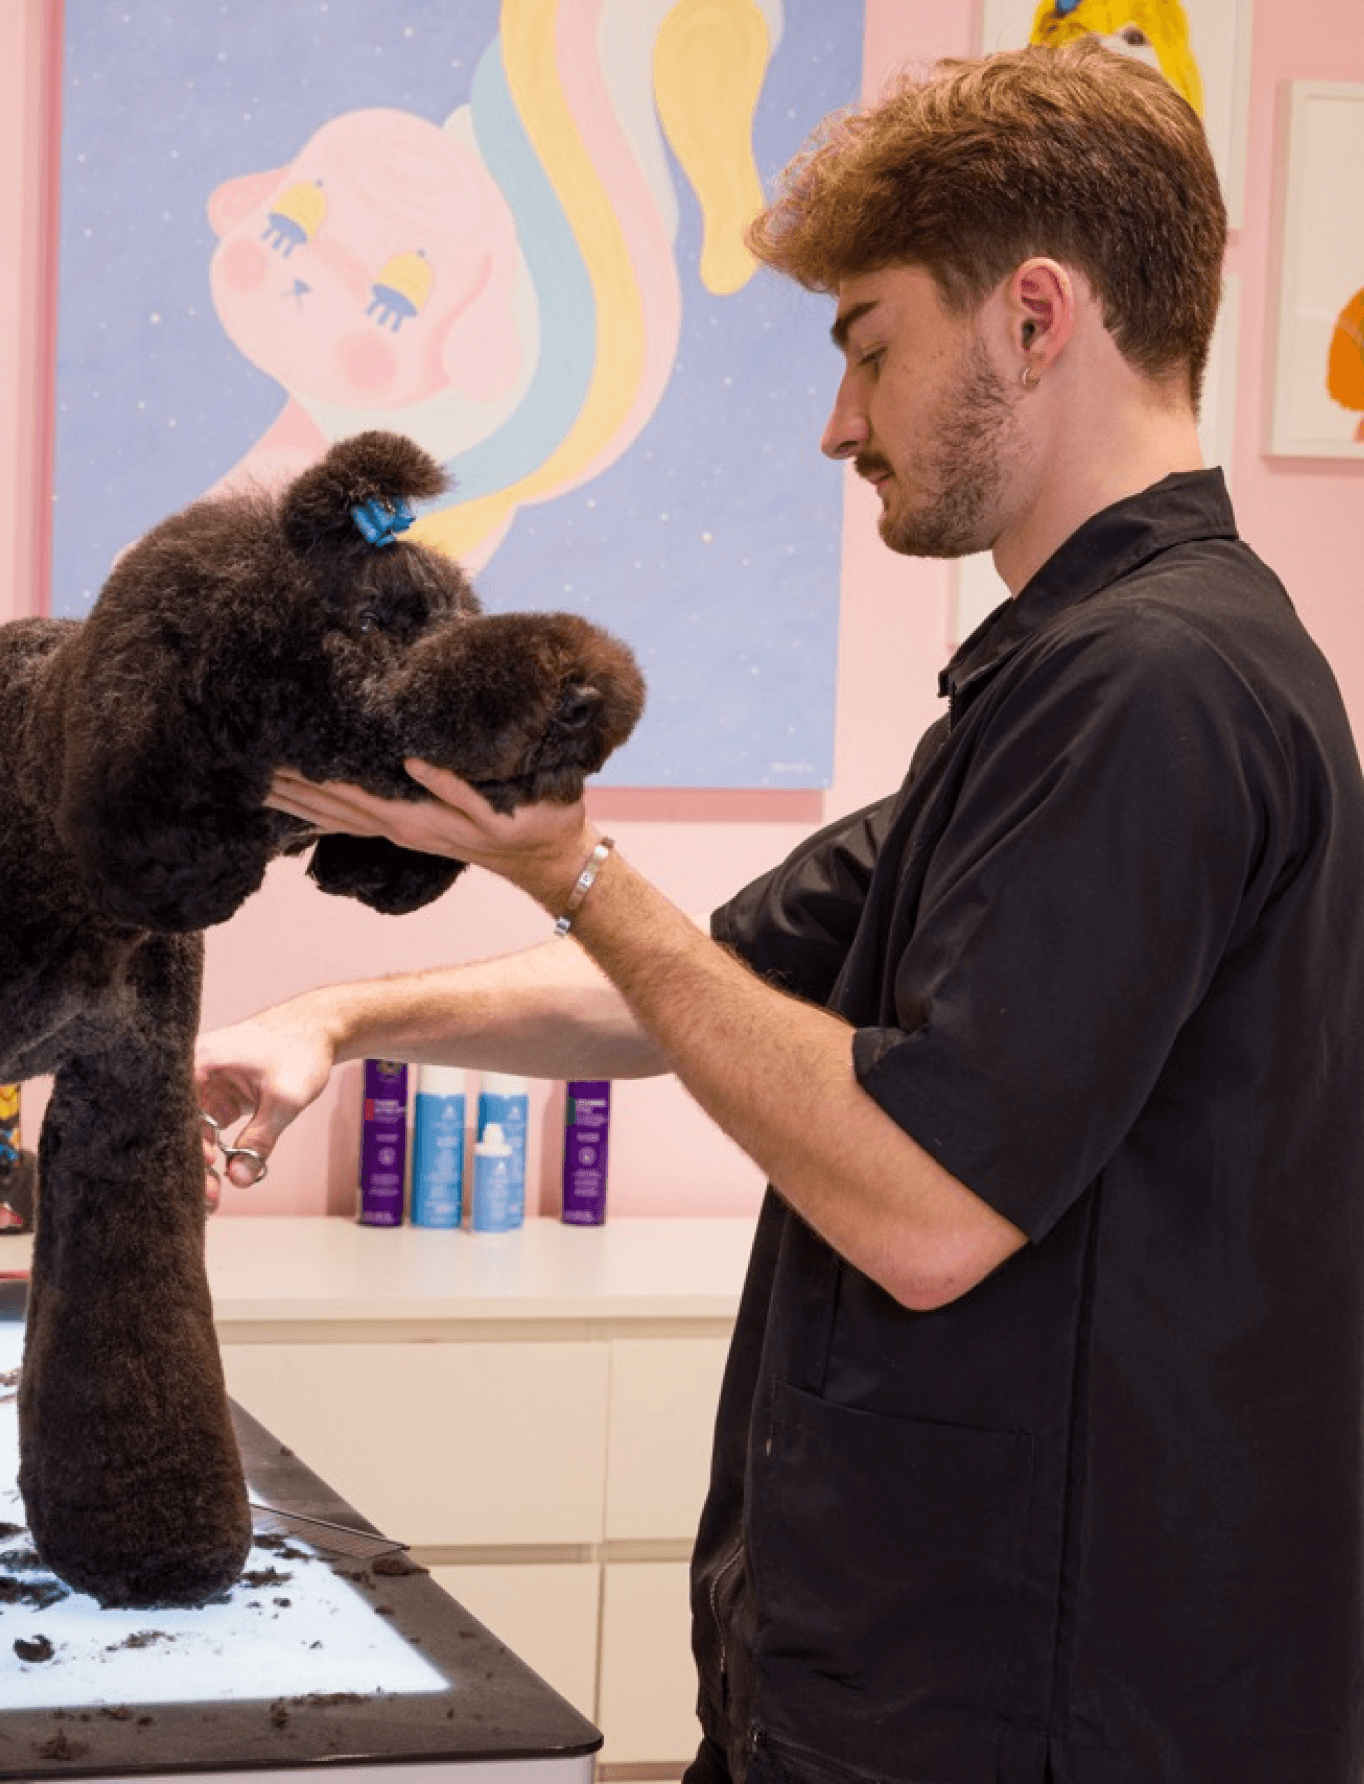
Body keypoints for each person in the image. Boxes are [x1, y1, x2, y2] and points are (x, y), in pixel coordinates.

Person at [196, 40, 1364, 1784]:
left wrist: (577, 870)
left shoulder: (1159, 692)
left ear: (1034, 319)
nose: (839, 423)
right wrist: (342, 1019)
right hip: (910, 1674)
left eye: (870, 346)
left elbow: (925, 1207)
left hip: (1052, 1706)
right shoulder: (1057, 690)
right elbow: (698, 987)